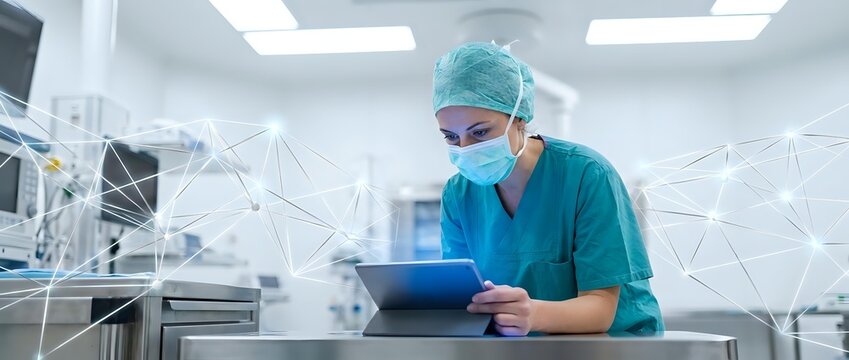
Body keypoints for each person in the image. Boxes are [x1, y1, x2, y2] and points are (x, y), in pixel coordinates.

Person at [433, 42, 664, 336]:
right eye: (451, 137)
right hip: (521, 348)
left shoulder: (587, 174)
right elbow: (462, 296)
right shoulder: (458, 194)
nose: (466, 149)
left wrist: (534, 314)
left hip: (611, 346)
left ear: (519, 119)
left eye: (480, 132)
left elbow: (601, 308)